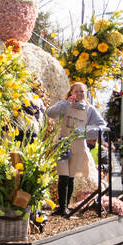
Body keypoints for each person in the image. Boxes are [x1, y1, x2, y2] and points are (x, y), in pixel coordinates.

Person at [46, 82, 105, 217]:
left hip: (78, 147)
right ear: (71, 93)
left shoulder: (90, 109)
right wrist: (65, 104)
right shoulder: (65, 105)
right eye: (76, 91)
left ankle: (65, 207)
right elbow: (50, 113)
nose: (79, 94)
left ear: (86, 93)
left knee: (71, 177)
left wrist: (85, 132)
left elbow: (102, 126)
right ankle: (62, 207)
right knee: (63, 176)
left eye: (82, 91)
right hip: (63, 144)